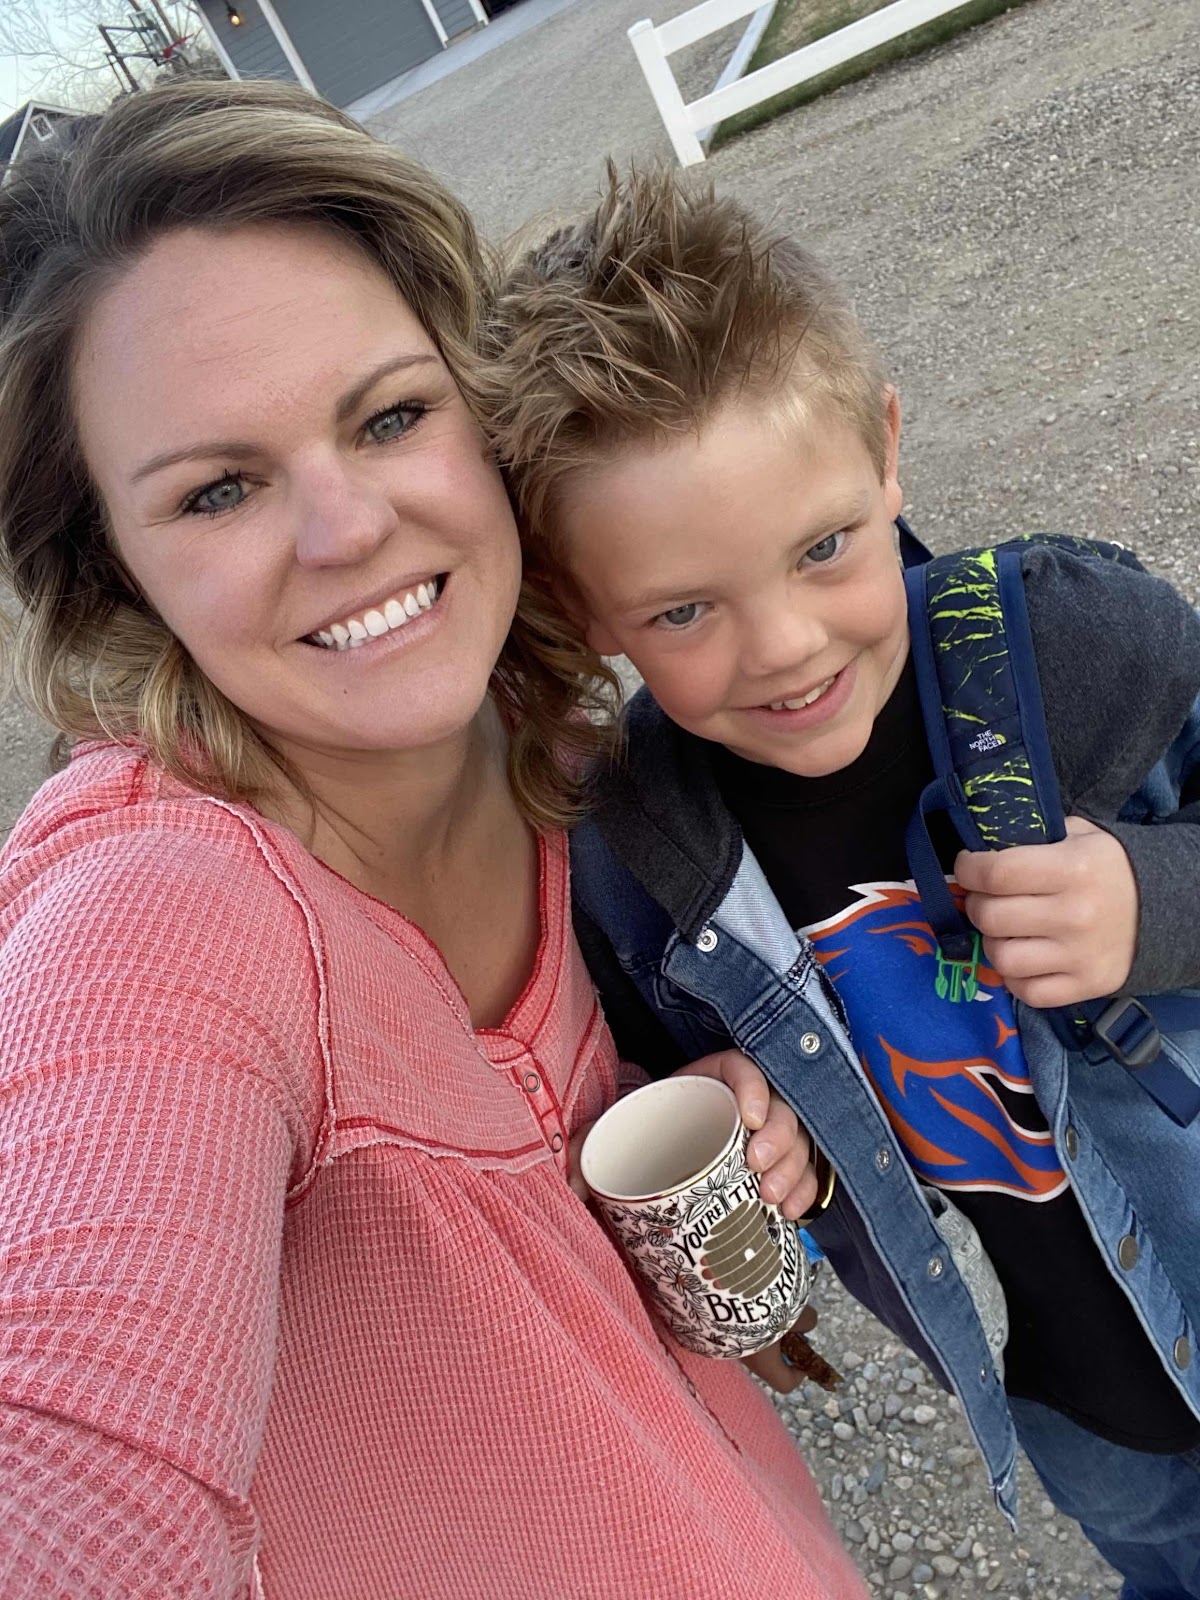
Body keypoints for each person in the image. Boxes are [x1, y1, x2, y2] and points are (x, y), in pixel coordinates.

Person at [0, 85, 869, 1600]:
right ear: (111, 570)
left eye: (391, 416)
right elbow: (67, 1461)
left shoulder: (589, 768)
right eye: (218, 490)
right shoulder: (156, 914)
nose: (348, 529)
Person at [484, 167, 1200, 1598]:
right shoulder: (632, 847)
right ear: (577, 603)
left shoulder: (1075, 647)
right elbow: (684, 1093)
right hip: (1071, 1398)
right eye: (684, 609)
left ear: (884, 451)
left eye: (823, 549)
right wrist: (757, 1149)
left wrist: (1153, 897)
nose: (786, 647)